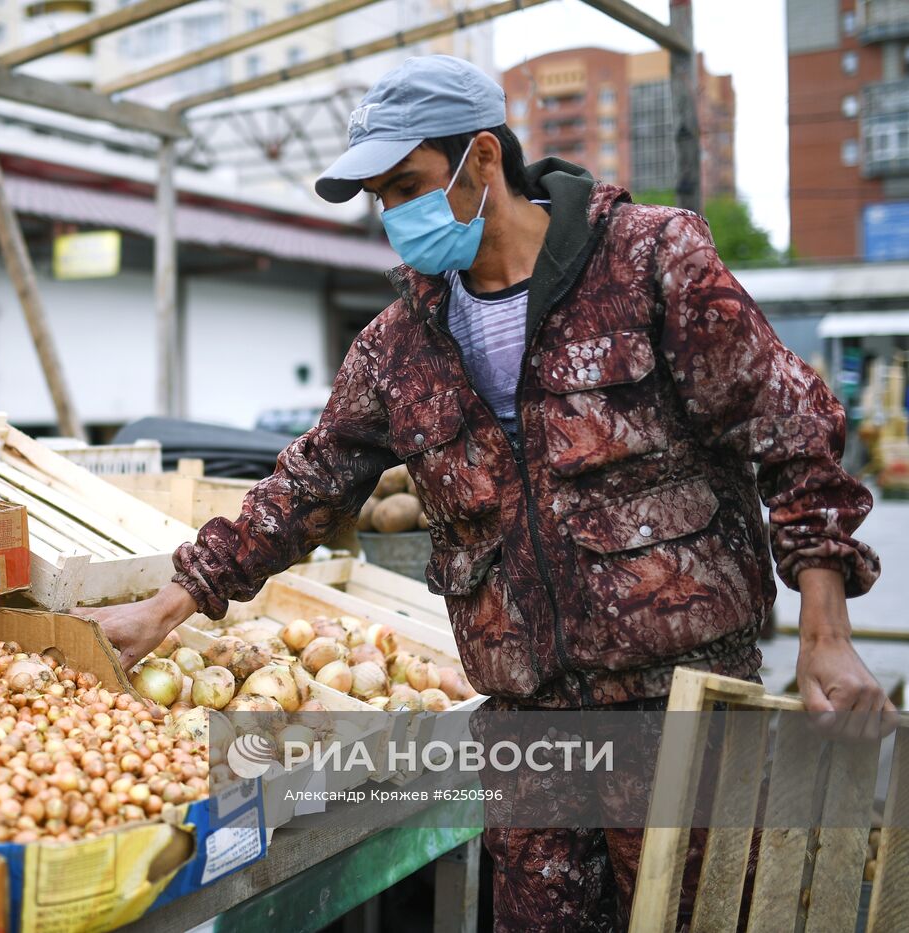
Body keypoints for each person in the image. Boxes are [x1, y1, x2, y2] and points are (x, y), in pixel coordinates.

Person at [83, 55, 889, 928]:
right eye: (381, 199)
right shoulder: (400, 346)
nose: (395, 216)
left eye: (408, 185)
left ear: (482, 159)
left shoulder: (651, 261)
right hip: (530, 731)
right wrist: (162, 607)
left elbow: (791, 429)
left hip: (682, 713)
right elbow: (305, 488)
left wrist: (827, 633)